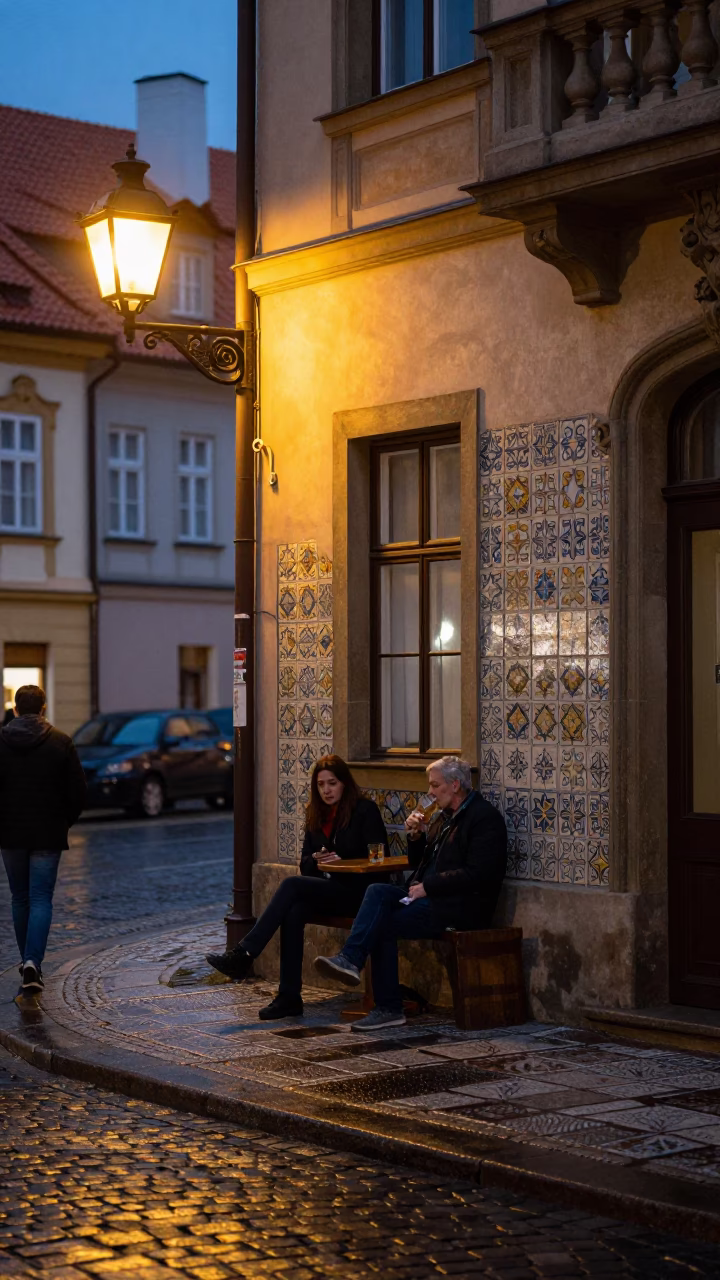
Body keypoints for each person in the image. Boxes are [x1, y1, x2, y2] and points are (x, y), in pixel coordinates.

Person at [313, 756, 507, 1032]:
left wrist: (429, 887)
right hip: (428, 896)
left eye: (434, 785)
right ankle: (350, 960)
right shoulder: (443, 818)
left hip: (460, 905)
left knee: (382, 925)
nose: (429, 792)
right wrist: (415, 837)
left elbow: (479, 873)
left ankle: (388, 1007)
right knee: (377, 890)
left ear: (454, 785)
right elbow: (420, 864)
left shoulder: (482, 818)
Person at [205, 754, 389, 1019]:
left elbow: (379, 855)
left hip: (362, 893)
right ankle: (289, 996)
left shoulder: (364, 810)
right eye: (321, 785)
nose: (326, 790)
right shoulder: (316, 815)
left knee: (291, 885)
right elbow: (305, 863)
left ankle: (245, 953)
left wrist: (343, 860)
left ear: (344, 784)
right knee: (294, 911)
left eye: (332, 783)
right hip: (331, 890)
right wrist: (316, 859)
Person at [0, 685, 87, 993]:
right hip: (48, 832)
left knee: (19, 898)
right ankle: (33, 963)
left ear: (14, 709)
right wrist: (64, 821)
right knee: (40, 898)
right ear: (43, 708)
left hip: (10, 832)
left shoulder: (1, 741)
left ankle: (28, 961)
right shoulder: (60, 742)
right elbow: (78, 792)